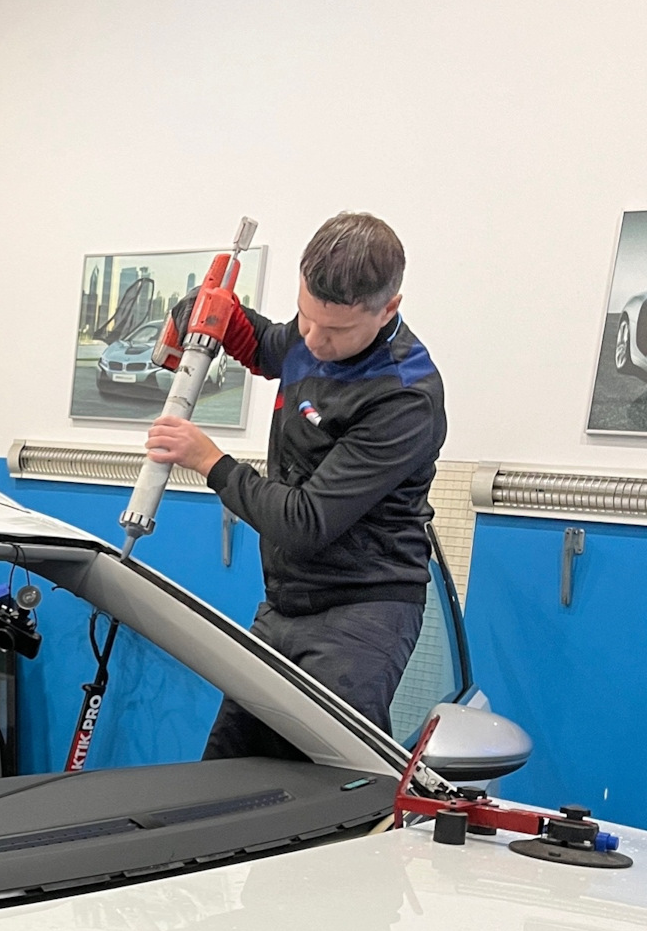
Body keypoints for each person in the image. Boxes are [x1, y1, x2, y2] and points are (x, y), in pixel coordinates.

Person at [145, 211, 446, 751]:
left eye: (335, 330)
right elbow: (270, 345)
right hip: (284, 602)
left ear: (388, 309)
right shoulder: (314, 334)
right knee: (228, 767)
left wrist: (210, 461)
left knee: (330, 777)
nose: (314, 339)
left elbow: (305, 523)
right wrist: (222, 317)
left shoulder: (405, 397)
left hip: (361, 617)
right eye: (306, 317)